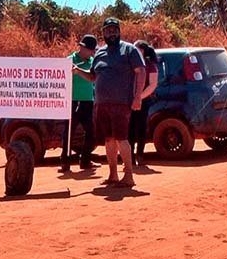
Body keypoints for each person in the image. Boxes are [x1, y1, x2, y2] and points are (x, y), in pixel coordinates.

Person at [73, 17, 145, 188]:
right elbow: (92, 77)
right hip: (101, 105)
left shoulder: (129, 50)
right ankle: (113, 175)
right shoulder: (99, 53)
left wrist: (137, 97)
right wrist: (77, 71)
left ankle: (128, 176)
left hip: (121, 104)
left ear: (119, 31)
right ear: (103, 33)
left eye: (114, 29)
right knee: (108, 140)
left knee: (122, 139)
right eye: (108, 30)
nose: (111, 33)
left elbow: (141, 72)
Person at [60, 34, 100, 173]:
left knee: (91, 132)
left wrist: (78, 71)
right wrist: (71, 70)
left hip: (88, 101)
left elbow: (92, 78)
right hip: (73, 101)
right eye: (89, 49)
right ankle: (65, 162)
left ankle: (85, 160)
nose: (91, 52)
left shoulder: (93, 61)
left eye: (92, 50)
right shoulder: (69, 60)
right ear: (82, 47)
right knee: (68, 133)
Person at [128, 40, 158, 167]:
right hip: (129, 100)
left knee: (141, 129)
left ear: (143, 50)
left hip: (143, 101)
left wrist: (139, 97)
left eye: (137, 49)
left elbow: (152, 85)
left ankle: (140, 155)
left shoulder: (150, 65)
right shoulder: (129, 64)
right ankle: (129, 157)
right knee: (129, 129)